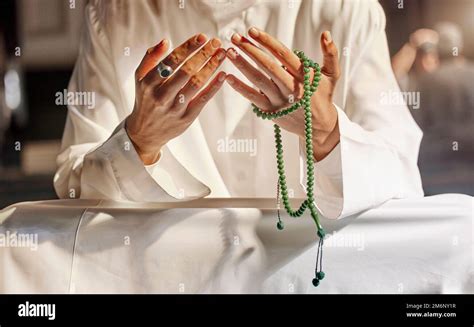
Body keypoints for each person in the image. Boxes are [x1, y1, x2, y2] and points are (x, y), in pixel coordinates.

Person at [54, 0, 423, 219]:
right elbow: (74, 189)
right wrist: (138, 142)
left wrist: (327, 134)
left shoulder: (346, 10)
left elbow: (403, 178)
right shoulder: (117, 14)